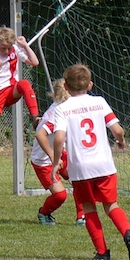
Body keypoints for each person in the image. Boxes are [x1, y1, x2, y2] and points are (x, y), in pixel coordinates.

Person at [51, 64, 130, 260]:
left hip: (80, 168)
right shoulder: (100, 102)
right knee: (111, 205)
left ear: (65, 86)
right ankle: (127, 232)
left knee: (89, 207)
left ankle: (102, 252)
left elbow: (59, 138)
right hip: (104, 165)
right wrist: (121, 141)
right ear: (90, 85)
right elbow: (117, 130)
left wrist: (56, 162)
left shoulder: (62, 109)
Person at [31, 79, 85, 226]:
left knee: (80, 180)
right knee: (60, 195)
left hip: (59, 153)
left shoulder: (59, 106)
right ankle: (44, 213)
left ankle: (81, 216)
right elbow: (40, 135)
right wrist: (53, 156)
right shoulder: (58, 113)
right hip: (43, 161)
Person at [0, 26, 41, 141]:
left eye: (9, 48)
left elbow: (35, 62)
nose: (6, 52)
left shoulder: (15, 49)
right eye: (3, 48)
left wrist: (25, 45)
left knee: (24, 84)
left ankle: (35, 118)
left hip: (11, 90)